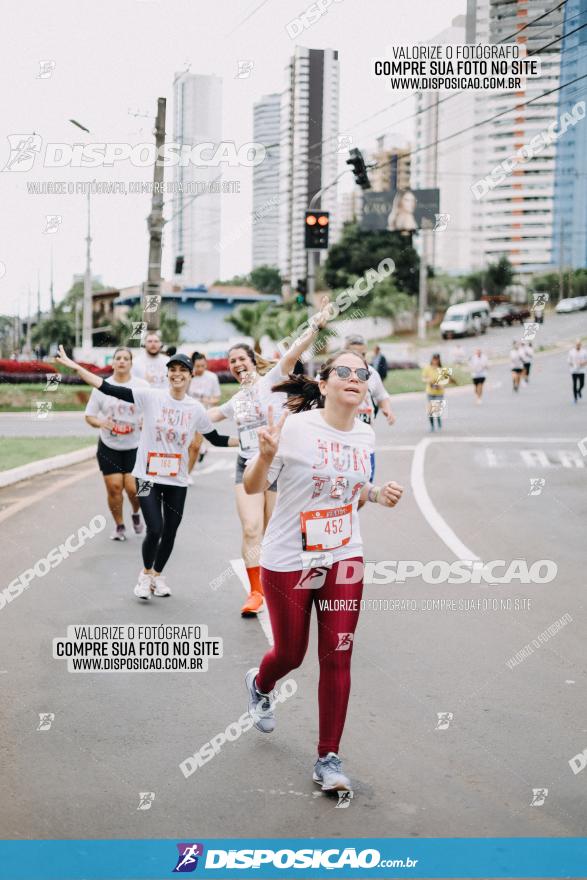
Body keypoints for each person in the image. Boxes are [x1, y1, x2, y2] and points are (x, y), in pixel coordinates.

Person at [242, 349, 403, 792]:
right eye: (344, 371)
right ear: (325, 383)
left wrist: (377, 493)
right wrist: (264, 456)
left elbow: (352, 491)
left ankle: (327, 759)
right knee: (291, 654)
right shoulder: (294, 428)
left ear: (367, 387)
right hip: (289, 557)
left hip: (343, 554)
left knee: (338, 654)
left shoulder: (367, 436)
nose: (354, 377)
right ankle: (260, 683)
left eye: (362, 373)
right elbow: (255, 486)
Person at [56, 346, 237, 599]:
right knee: (155, 529)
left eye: (182, 370)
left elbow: (216, 439)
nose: (177, 374)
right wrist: (77, 368)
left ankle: (157, 575)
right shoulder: (151, 397)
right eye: (172, 370)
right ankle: (145, 574)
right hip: (145, 476)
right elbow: (108, 388)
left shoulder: (195, 409)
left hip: (177, 480)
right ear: (167, 375)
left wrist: (248, 441)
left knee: (171, 532)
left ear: (190, 376)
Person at [207, 306, 330, 616]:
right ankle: (256, 593)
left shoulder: (272, 379)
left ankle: (291, 581)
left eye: (242, 359)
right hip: (247, 466)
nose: (237, 365)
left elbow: (294, 351)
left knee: (276, 530)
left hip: (280, 466)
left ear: (253, 361)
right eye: (232, 361)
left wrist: (315, 325)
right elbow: (208, 417)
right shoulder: (235, 401)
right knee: (251, 528)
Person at [84, 347, 148, 541]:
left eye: (125, 358)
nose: (121, 361)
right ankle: (119, 525)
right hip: (109, 446)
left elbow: (153, 409)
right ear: (113, 363)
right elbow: (89, 416)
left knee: (132, 489)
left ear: (130, 363)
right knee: (113, 487)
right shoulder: (102, 387)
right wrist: (102, 423)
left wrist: (146, 421)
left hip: (135, 446)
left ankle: (136, 514)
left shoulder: (141, 386)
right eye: (118, 358)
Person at [345, 335, 395, 480]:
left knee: (364, 489)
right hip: (342, 443)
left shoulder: (372, 374)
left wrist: (388, 409)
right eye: (356, 353)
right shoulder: (333, 372)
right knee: (342, 490)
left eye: (363, 354)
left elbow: (382, 395)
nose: (361, 357)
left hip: (365, 443)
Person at [187, 352, 222, 472]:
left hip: (203, 416)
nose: (200, 369)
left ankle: (187, 474)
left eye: (203, 365)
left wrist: (208, 400)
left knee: (195, 446)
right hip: (186, 415)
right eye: (197, 366)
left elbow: (217, 398)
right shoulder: (187, 376)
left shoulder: (212, 377)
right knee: (186, 445)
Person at [422, 353, 454, 431]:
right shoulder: (427, 368)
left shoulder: (443, 369)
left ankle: (439, 422)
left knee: (436, 409)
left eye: (437, 359)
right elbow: (423, 378)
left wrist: (441, 385)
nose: (435, 361)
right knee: (430, 410)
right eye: (434, 359)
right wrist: (428, 381)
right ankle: (432, 426)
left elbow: (446, 382)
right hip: (430, 392)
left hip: (439, 392)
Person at [568, 339, 587, 403]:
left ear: (580, 345)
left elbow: (586, 360)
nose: (578, 345)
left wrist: (583, 363)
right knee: (574, 384)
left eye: (579, 344)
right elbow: (569, 361)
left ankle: (579, 391)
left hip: (582, 370)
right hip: (574, 371)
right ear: (575, 345)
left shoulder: (584, 351)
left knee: (582, 384)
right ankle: (575, 398)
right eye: (577, 344)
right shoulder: (571, 352)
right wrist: (573, 364)